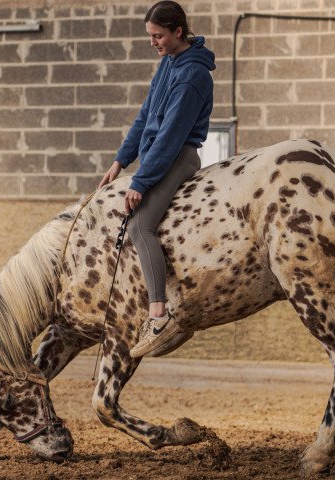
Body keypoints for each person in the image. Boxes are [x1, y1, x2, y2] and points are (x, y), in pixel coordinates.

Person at [97, 1, 216, 358]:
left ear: (178, 31)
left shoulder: (194, 74)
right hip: (154, 154)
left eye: (158, 35)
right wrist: (120, 161)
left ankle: (159, 316)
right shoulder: (168, 64)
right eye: (150, 36)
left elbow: (170, 134)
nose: (154, 42)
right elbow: (146, 117)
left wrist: (141, 182)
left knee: (140, 226)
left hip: (178, 155)